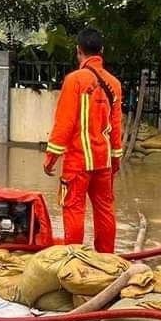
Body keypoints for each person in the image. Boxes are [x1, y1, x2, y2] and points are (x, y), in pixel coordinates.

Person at [43, 27, 123, 253]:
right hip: (104, 161)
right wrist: (115, 160)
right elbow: (116, 127)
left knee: (74, 208)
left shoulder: (75, 80)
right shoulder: (114, 84)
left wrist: (51, 158)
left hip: (78, 161)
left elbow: (64, 123)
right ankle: (107, 259)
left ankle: (74, 260)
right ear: (102, 51)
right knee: (105, 209)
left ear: (78, 51)